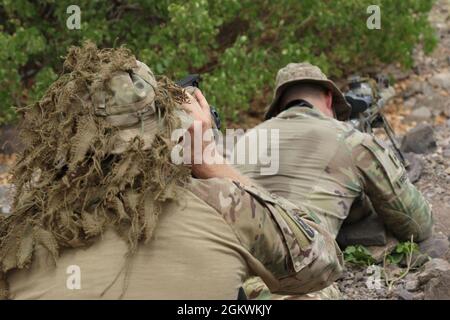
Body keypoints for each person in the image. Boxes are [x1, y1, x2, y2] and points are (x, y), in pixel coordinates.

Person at [0, 45, 343, 299]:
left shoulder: (19, 241)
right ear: (171, 133)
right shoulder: (222, 203)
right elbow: (321, 263)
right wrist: (210, 162)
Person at [233, 62, 433, 299]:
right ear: (329, 99)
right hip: (286, 284)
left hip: (222, 276)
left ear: (278, 108)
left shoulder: (244, 140)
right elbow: (416, 224)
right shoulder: (351, 139)